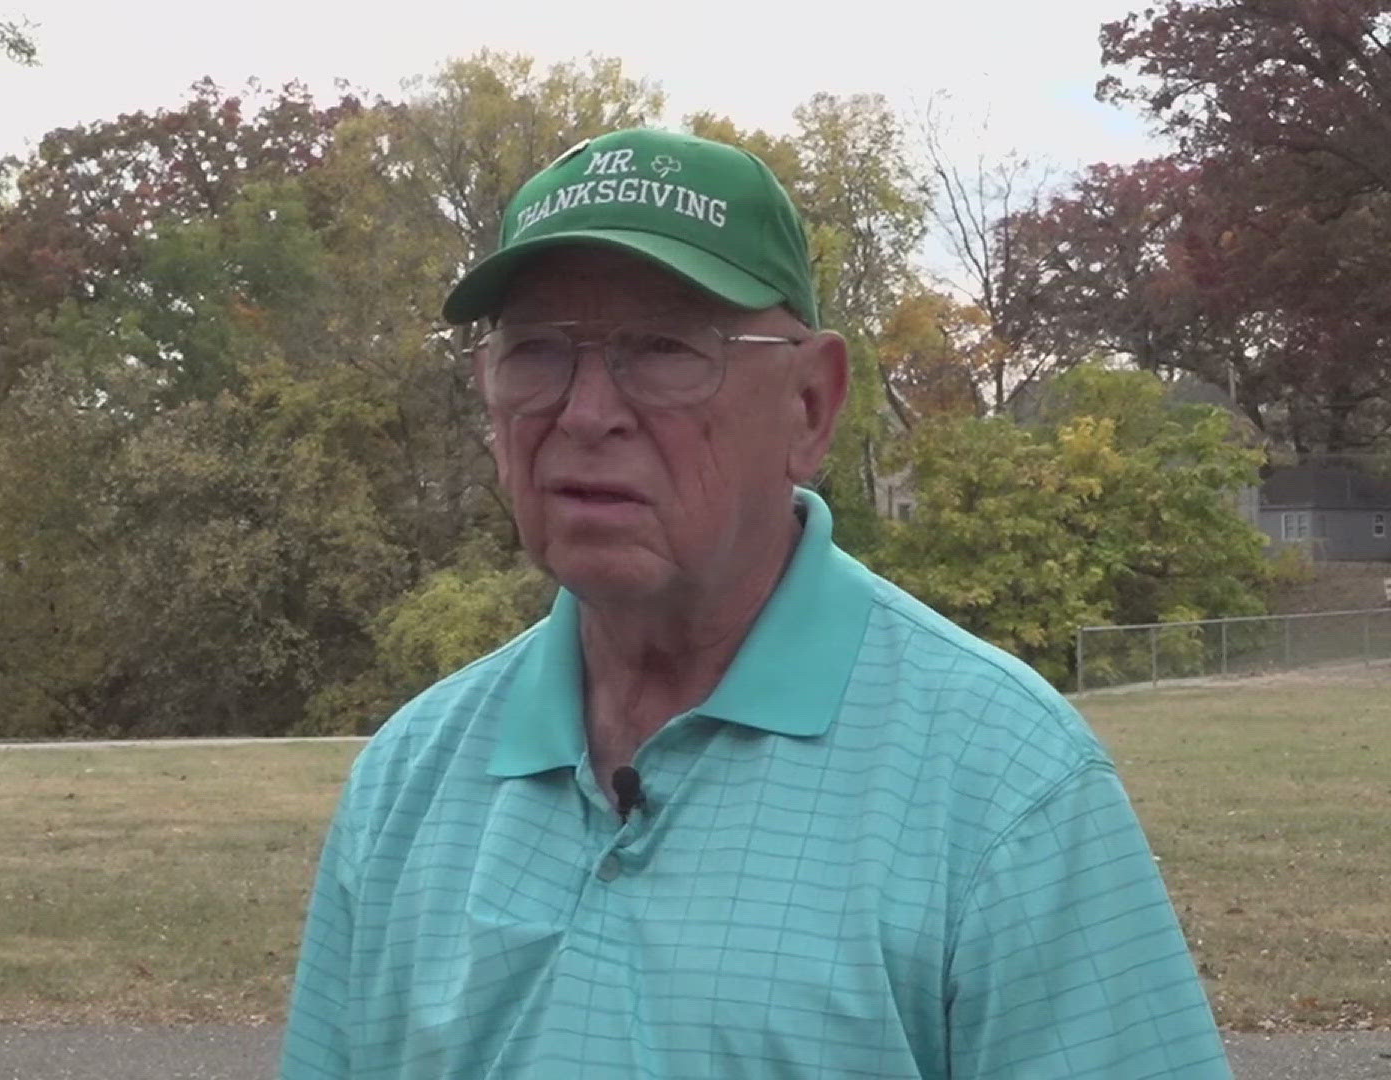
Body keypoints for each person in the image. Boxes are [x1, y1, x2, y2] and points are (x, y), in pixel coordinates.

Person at [280, 128, 1232, 1079]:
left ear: (810, 406)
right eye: (535, 351)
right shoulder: (408, 779)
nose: (583, 411)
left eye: (661, 347)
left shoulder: (1000, 783)